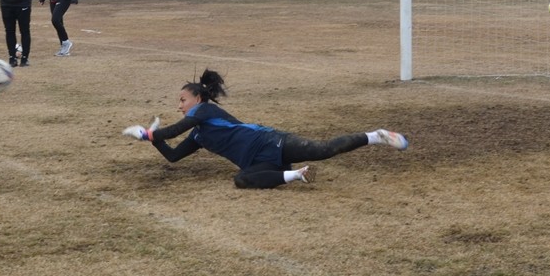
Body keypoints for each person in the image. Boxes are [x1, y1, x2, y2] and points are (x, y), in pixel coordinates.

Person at [122, 69, 409, 189]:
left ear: (198, 99)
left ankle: (376, 136)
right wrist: (152, 138)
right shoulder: (198, 134)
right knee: (241, 180)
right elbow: (173, 155)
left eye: (182, 100)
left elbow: (172, 131)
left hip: (270, 142)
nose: (179, 106)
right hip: (259, 162)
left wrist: (149, 134)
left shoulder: (205, 111)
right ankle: (293, 175)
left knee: (323, 149)